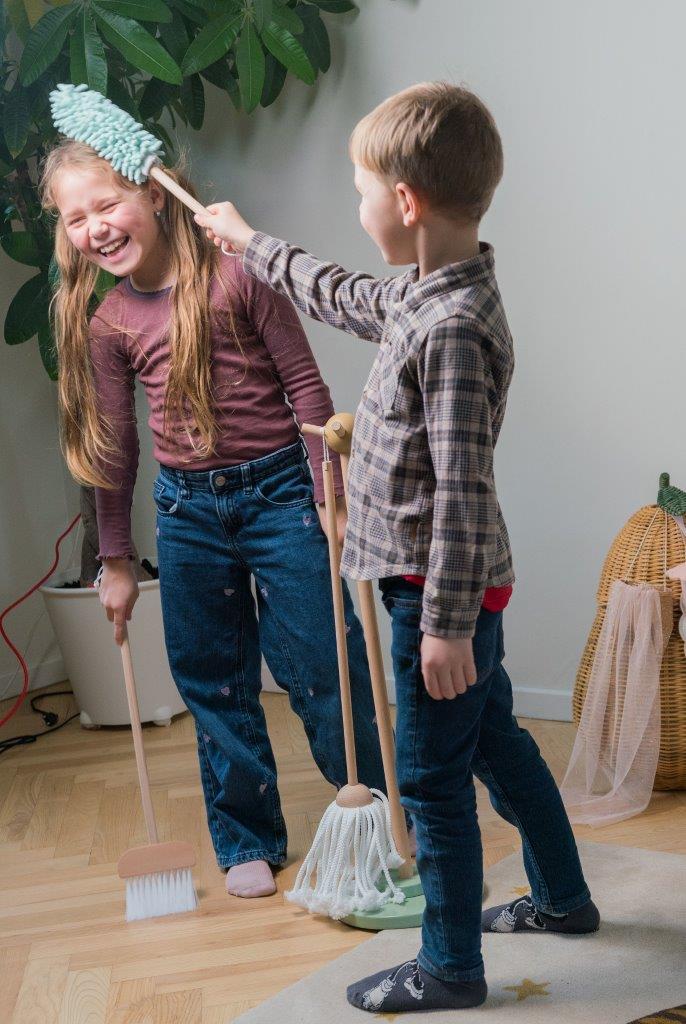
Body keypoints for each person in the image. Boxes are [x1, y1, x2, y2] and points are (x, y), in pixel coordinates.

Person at [194, 81, 599, 1013]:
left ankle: (450, 966)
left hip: (437, 595)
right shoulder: (428, 286)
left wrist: (445, 628)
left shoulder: (450, 328)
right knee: (496, 743)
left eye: (360, 190)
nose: (358, 206)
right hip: (441, 591)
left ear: (403, 202)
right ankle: (565, 899)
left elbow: (461, 494)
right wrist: (251, 244)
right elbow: (340, 293)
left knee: (430, 780)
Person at [40, 139, 391, 901]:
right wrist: (116, 560)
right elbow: (115, 445)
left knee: (324, 664)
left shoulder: (240, 275)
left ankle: (376, 816)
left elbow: (304, 386)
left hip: (280, 499)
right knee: (214, 682)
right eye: (75, 219)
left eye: (108, 205)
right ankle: (246, 838)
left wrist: (325, 494)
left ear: (158, 194)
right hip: (187, 512)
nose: (95, 228)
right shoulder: (108, 322)